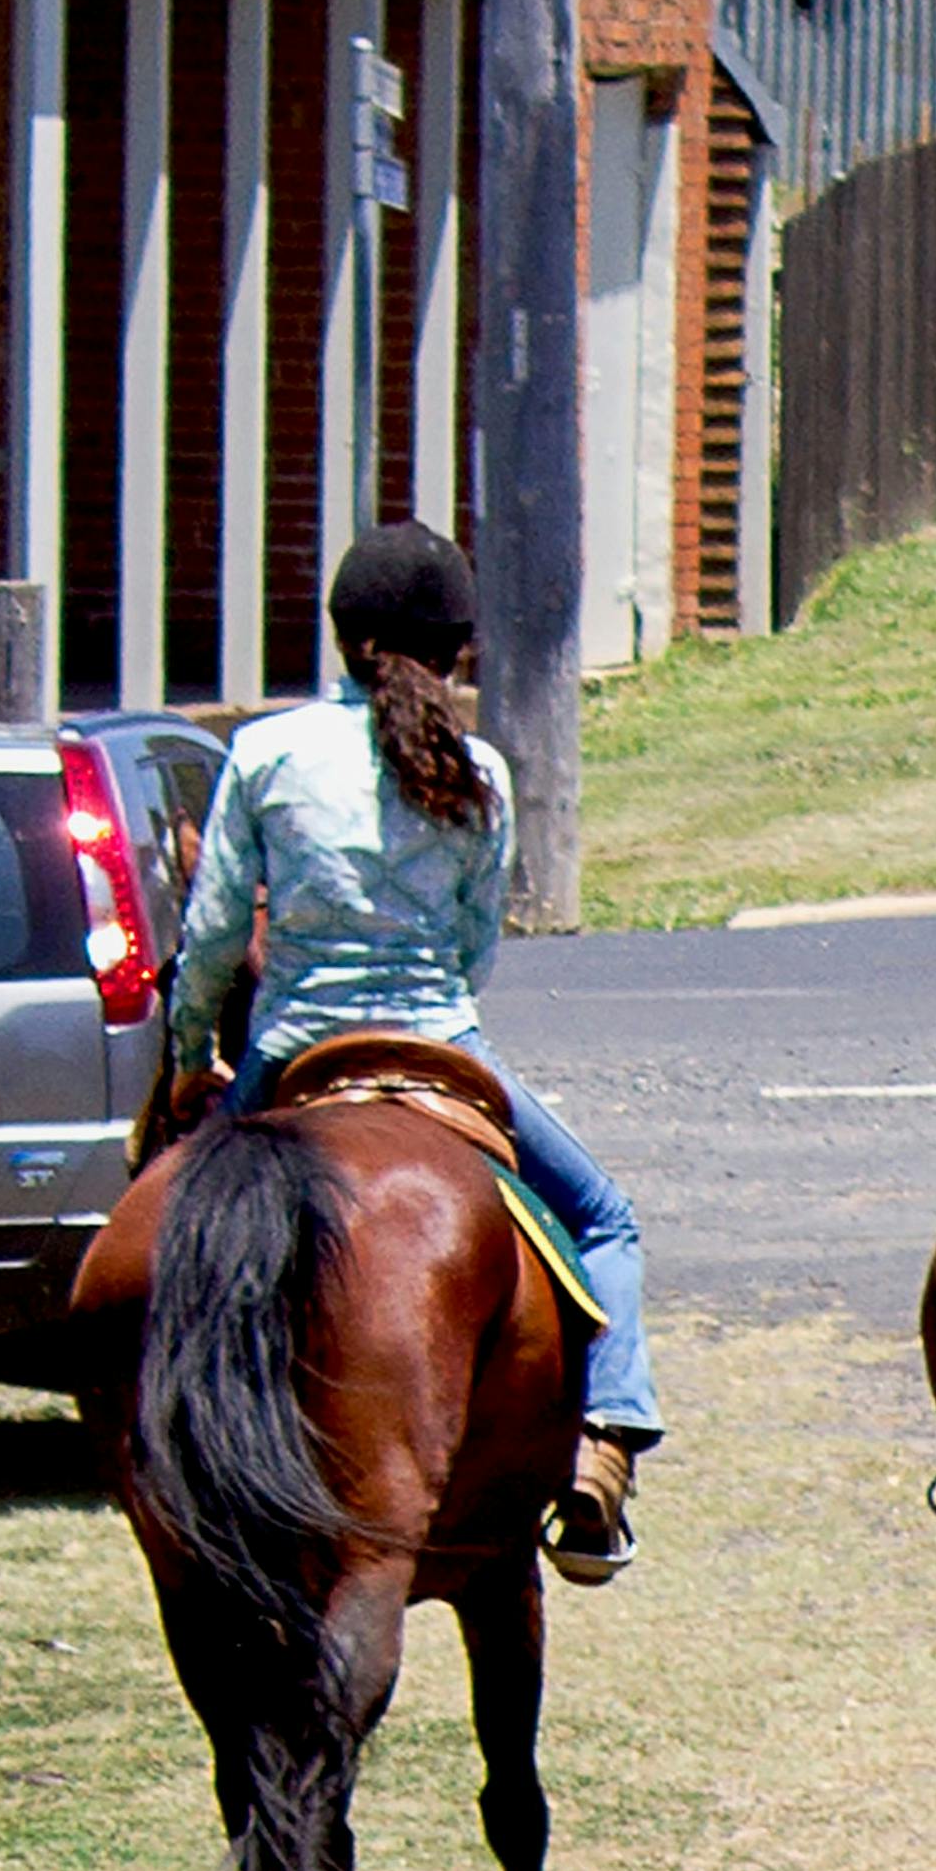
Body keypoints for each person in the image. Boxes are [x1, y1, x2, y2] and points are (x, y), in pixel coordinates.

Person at [165, 521, 667, 1575]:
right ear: (455, 650)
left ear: (343, 637)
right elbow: (477, 947)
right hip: (441, 1042)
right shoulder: (475, 768)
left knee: (174, 1235)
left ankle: (166, 1436)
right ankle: (604, 1445)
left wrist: (183, 1053)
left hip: (295, 1044)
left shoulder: (265, 752)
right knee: (602, 1214)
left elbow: (212, 936)